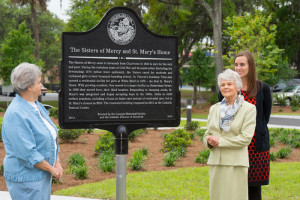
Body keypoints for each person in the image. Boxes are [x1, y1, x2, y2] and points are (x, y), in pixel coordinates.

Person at [2, 63, 63, 200]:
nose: (42, 85)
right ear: (29, 87)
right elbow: (27, 153)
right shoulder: (16, 114)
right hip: (26, 181)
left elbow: (51, 137)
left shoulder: (37, 106)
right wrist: (51, 169)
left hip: (40, 177)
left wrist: (57, 162)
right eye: (39, 82)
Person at [219, 51, 272, 200]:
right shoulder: (228, 87)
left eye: (242, 64)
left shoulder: (263, 88)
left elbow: (264, 117)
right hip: (234, 145)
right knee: (234, 187)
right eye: (236, 64)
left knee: (254, 189)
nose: (238, 68)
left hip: (256, 147)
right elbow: (221, 113)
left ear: (250, 66)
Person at [204, 69, 256, 200]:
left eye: (229, 84)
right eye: (222, 85)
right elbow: (207, 133)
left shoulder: (249, 109)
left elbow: (245, 138)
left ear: (238, 87)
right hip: (216, 161)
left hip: (235, 163)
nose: (225, 87)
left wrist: (220, 142)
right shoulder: (214, 108)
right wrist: (208, 140)